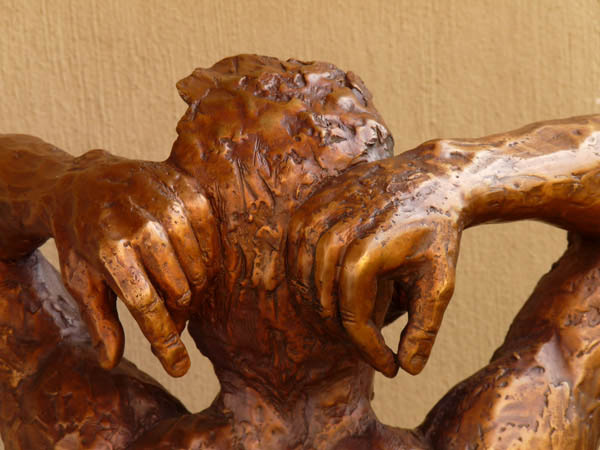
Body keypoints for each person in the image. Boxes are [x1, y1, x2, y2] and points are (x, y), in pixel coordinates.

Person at [0, 54, 599, 449]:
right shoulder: (508, 432)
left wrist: (64, 186)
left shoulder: (90, 431)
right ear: (401, 286)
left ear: (170, 282)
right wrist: (459, 175)